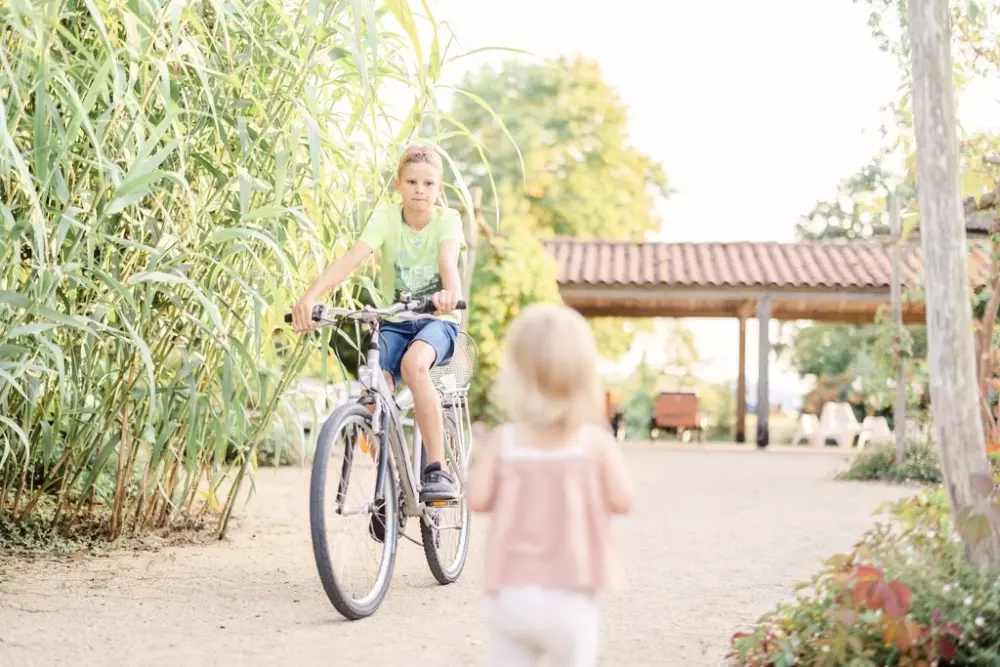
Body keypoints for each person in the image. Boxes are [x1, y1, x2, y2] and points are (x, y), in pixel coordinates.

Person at [291, 142, 465, 504]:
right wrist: (310, 297)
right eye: (412, 182)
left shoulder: (448, 221)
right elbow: (350, 260)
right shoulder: (386, 218)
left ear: (439, 190)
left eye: (429, 184)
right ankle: (391, 481)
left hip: (437, 321)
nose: (420, 189)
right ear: (397, 185)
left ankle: (437, 469)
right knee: (373, 389)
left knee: (414, 365)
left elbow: (448, 263)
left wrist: (450, 293)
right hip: (395, 322)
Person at [467, 303, 635, 667]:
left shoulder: (504, 441)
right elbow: (623, 500)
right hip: (570, 594)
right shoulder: (595, 444)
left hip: (510, 594)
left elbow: (477, 500)